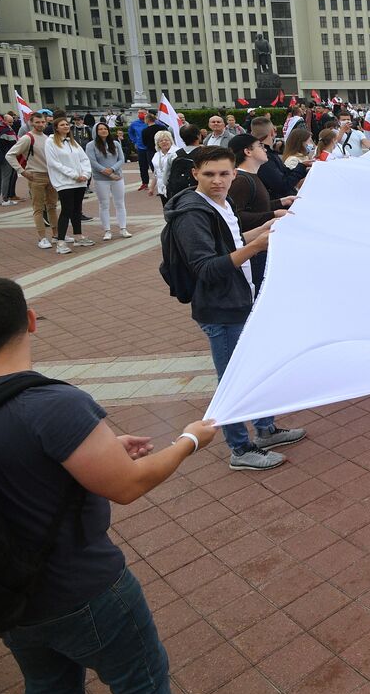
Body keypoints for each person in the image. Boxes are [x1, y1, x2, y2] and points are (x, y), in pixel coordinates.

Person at [0, 276, 219, 694]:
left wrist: (97, 451)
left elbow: (4, 466)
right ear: (31, 321)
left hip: (6, 592)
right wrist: (188, 441)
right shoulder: (52, 404)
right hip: (82, 589)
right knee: (141, 684)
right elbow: (128, 486)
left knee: (49, 687)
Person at [165, 146, 306, 470]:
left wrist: (265, 228)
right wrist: (256, 246)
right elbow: (206, 268)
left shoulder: (221, 203)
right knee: (233, 379)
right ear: (195, 174)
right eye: (210, 174)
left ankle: (266, 429)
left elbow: (231, 242)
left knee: (256, 366)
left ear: (233, 173)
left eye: (224, 173)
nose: (218, 181)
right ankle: (240, 450)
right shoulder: (192, 214)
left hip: (241, 299)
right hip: (220, 308)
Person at [7, 113, 59, 248]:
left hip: (50, 175)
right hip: (36, 176)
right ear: (31, 123)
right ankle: (42, 238)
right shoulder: (27, 138)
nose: (40, 124)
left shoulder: (47, 138)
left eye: (43, 122)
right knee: (38, 208)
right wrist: (23, 172)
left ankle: (56, 234)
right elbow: (10, 155)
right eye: (37, 122)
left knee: (52, 206)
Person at [46, 119, 92, 253]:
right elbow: (54, 163)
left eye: (67, 124)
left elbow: (84, 159)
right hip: (64, 182)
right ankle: (60, 241)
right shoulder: (51, 142)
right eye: (62, 125)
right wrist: (73, 175)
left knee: (77, 209)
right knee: (67, 210)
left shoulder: (72, 142)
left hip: (80, 182)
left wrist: (85, 174)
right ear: (56, 127)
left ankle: (78, 236)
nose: (66, 126)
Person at [85, 123, 130, 241]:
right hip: (101, 179)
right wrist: (107, 172)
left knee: (120, 203)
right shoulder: (91, 145)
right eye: (100, 129)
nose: (103, 131)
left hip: (117, 177)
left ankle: (123, 228)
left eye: (105, 129)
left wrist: (113, 169)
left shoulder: (115, 143)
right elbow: (92, 162)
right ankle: (107, 230)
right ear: (96, 131)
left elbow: (121, 159)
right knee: (104, 204)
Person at [148, 131, 176, 204]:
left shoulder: (176, 152)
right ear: (158, 143)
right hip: (161, 188)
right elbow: (156, 173)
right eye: (161, 141)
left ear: (171, 141)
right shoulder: (156, 155)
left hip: (174, 188)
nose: (164, 142)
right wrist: (151, 187)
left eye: (166, 140)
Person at [128, 113, 151, 190]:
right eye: (139, 113)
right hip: (141, 148)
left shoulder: (151, 122)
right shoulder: (134, 124)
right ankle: (145, 183)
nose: (141, 114)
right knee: (143, 166)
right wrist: (135, 141)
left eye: (143, 113)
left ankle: (158, 183)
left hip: (150, 147)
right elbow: (130, 133)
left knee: (155, 166)